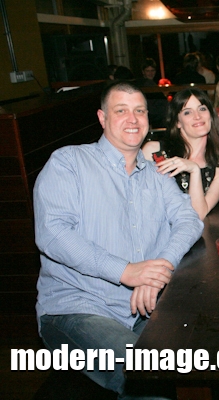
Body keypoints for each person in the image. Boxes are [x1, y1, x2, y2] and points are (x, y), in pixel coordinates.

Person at [34, 80, 203, 397]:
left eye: (140, 111)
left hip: (143, 307)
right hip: (78, 307)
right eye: (121, 110)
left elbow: (189, 220)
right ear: (102, 118)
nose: (133, 119)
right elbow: (52, 233)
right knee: (151, 374)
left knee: (205, 355)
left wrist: (157, 270)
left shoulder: (156, 174)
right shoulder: (69, 162)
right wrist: (127, 271)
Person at [143, 88, 219, 220]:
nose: (197, 116)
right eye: (187, 112)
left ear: (211, 116)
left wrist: (194, 170)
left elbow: (198, 215)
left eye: (202, 109)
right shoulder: (154, 152)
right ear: (178, 122)